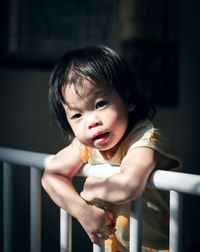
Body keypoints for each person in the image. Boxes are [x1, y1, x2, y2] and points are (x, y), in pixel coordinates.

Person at [41, 45, 182, 252]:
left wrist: (93, 189)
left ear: (128, 99)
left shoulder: (145, 139)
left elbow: (129, 185)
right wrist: (83, 212)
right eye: (77, 115)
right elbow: (51, 176)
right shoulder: (85, 145)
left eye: (100, 104)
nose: (91, 121)